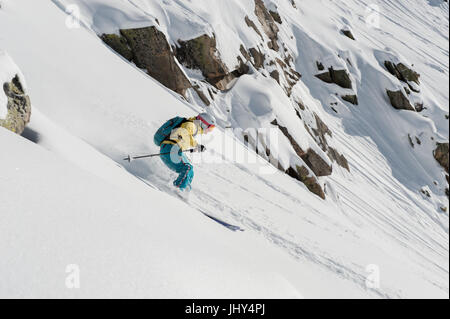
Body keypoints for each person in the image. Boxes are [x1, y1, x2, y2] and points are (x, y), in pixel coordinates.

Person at [158, 113, 216, 191]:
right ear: (204, 124)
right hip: (170, 149)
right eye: (210, 127)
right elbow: (184, 133)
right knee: (187, 168)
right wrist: (196, 145)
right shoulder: (191, 125)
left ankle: (185, 189)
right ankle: (178, 188)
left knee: (190, 169)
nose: (209, 131)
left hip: (174, 149)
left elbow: (184, 137)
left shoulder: (193, 127)